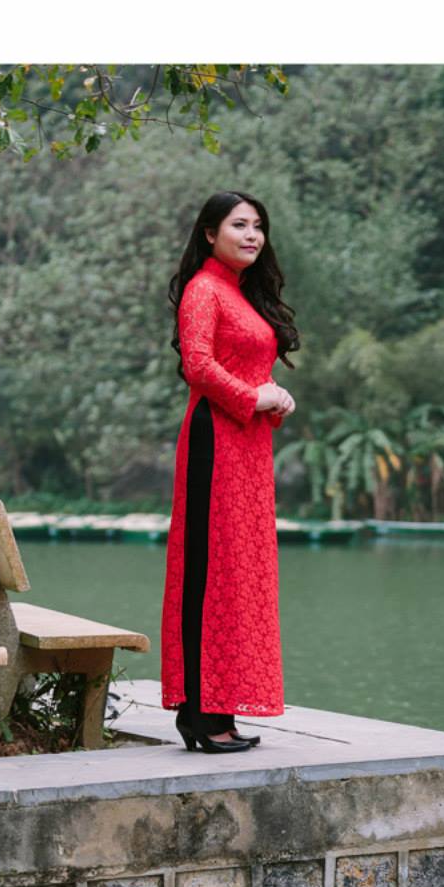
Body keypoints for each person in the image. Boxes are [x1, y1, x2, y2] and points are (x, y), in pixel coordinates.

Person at [158, 191, 300, 754]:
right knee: (209, 572)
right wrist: (255, 396)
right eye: (239, 225)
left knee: (240, 575)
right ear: (209, 234)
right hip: (214, 442)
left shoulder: (243, 295)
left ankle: (221, 708)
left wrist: (274, 398)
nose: (252, 235)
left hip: (249, 448)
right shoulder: (203, 290)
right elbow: (197, 367)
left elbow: (248, 369)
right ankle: (199, 714)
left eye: (259, 226)